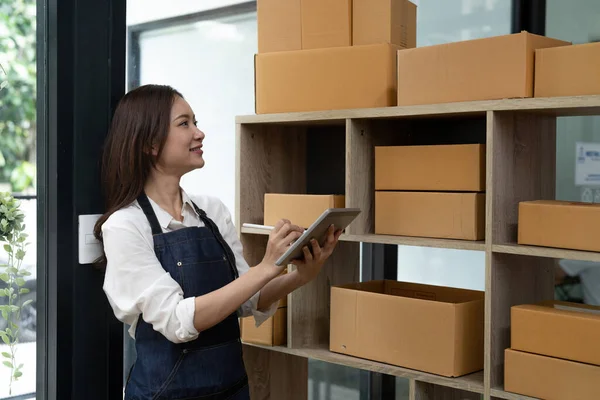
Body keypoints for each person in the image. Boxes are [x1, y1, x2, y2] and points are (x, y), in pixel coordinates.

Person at [93, 84, 342, 400]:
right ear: (150, 143)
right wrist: (266, 267)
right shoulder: (125, 225)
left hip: (232, 390)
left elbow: (245, 300)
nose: (200, 133)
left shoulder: (212, 211)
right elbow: (176, 321)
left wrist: (300, 276)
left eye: (195, 122)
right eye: (185, 124)